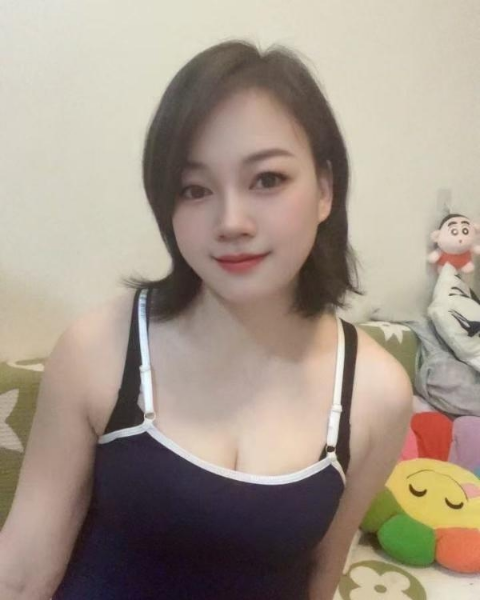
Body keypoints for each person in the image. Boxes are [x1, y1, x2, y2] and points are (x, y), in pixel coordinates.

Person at [0, 39, 412, 600]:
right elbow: (22, 571)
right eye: (194, 190)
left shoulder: (377, 393)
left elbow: (322, 571)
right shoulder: (98, 348)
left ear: (324, 189)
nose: (231, 221)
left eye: (267, 180)